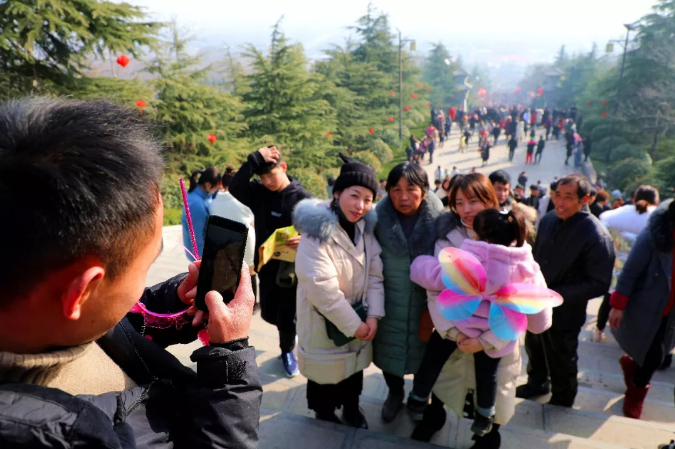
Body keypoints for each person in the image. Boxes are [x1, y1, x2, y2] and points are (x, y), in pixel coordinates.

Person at [0, 98, 262, 447]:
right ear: (81, 292)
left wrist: (170, 305)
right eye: (145, 265)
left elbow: (109, 320)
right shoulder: (67, 437)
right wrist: (230, 366)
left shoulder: (42, 315)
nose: (143, 280)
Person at [410, 174, 549, 448]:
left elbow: (527, 300)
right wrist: (453, 331)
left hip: (498, 337)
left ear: (491, 197)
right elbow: (435, 291)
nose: (466, 210)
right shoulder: (446, 236)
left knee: (492, 390)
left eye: (473, 201)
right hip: (453, 333)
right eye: (458, 203)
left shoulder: (514, 235)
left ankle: (486, 435)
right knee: (445, 385)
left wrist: (486, 340)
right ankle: (433, 417)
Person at [293, 154, 384, 428]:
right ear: (337, 193)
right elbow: (323, 291)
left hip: (359, 319)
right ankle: (324, 413)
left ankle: (352, 409)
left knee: (353, 372)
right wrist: (355, 324)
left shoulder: (366, 230)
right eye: (354, 195)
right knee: (325, 377)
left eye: (368, 199)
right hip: (325, 322)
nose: (360, 205)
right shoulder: (314, 234)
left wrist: (373, 317)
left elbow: (375, 276)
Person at [518, 174, 614, 407]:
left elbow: (599, 282)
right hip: (537, 301)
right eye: (557, 195)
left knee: (561, 354)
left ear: (586, 200)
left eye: (568, 198)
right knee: (534, 344)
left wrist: (558, 295)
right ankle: (537, 382)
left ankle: (563, 396)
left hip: (566, 309)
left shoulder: (596, 235)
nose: (559, 202)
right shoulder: (549, 219)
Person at [230, 146, 312, 377]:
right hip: (266, 266)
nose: (267, 181)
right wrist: (255, 159)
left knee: (286, 315)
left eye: (271, 175)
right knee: (271, 313)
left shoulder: (303, 199)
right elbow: (236, 186)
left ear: (283, 168)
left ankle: (288, 350)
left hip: (291, 272)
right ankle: (289, 335)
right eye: (262, 177)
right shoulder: (260, 194)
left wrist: (305, 239)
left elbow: (322, 232)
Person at [373, 162, 444, 423]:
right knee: (389, 354)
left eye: (411, 189)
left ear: (424, 191)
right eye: (396, 189)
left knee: (424, 356)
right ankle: (394, 394)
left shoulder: (441, 223)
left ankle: (419, 396)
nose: (403, 197)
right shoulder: (376, 220)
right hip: (388, 303)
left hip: (426, 307)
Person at [607, 199, 675, 419]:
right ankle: (636, 394)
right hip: (647, 304)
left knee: (661, 351)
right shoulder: (656, 235)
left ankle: (633, 365)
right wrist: (618, 306)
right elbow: (630, 271)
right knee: (655, 356)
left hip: (671, 310)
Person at [593, 186, 660, 343]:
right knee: (635, 305)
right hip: (642, 273)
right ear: (656, 201)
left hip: (616, 268)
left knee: (609, 300)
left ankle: (598, 330)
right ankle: (627, 337)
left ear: (634, 198)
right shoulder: (656, 220)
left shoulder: (615, 215)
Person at [210, 166, 258, 300]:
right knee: (249, 272)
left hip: (223, 241)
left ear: (222, 183)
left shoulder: (213, 202)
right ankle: (252, 303)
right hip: (246, 240)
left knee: (229, 271)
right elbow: (254, 221)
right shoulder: (244, 201)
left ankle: (230, 299)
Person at [182, 167, 220, 258]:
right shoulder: (197, 205)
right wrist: (201, 258)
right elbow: (197, 235)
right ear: (208, 185)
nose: (217, 190)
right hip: (199, 254)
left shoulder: (197, 192)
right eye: (216, 188)